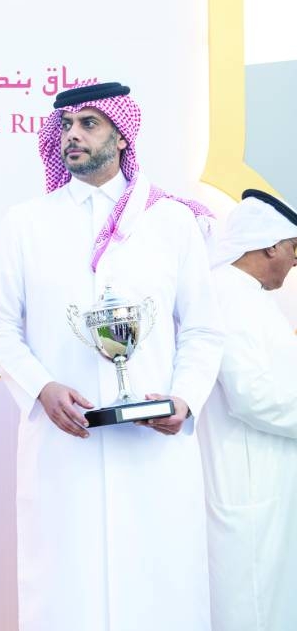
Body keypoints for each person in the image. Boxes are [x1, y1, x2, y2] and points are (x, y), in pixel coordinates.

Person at [0, 82, 224, 630]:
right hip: (66, 447)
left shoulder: (171, 222)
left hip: (153, 450)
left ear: (121, 133)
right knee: (67, 590)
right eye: (66, 125)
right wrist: (42, 387)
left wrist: (183, 400)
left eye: (89, 124)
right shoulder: (26, 222)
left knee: (161, 588)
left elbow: (204, 330)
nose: (73, 136)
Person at [199, 188, 297, 631]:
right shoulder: (224, 294)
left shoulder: (251, 295)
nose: (295, 262)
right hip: (245, 486)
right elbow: (250, 395)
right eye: (294, 249)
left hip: (269, 479)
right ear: (271, 244)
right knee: (247, 604)